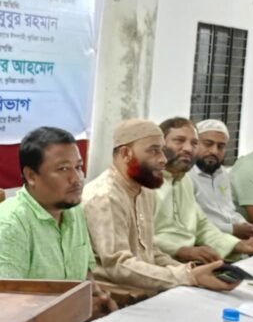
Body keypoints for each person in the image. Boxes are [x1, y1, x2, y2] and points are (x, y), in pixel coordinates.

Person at [82, 118, 239, 297]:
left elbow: (150, 251)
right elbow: (119, 265)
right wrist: (186, 276)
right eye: (154, 151)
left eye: (163, 151)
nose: (163, 159)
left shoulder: (144, 191)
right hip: (119, 299)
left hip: (150, 291)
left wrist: (191, 271)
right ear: (126, 154)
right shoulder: (106, 197)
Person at [0, 126, 115, 318]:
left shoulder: (73, 210)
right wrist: (75, 313)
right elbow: (3, 309)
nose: (77, 179)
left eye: (78, 167)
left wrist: (98, 298)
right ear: (31, 176)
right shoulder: (9, 225)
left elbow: (85, 274)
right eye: (63, 169)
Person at [154, 117, 253, 264]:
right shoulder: (145, 185)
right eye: (179, 140)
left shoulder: (183, 181)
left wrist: (238, 245)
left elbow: (202, 226)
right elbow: (138, 239)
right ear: (159, 145)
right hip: (157, 264)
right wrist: (182, 250)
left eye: (194, 143)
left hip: (190, 261)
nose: (188, 148)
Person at [191, 119, 253, 238]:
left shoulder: (222, 173)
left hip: (231, 238)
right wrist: (232, 229)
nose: (214, 151)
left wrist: (247, 226)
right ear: (194, 144)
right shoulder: (186, 176)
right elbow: (192, 223)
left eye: (221, 146)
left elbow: (229, 212)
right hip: (206, 241)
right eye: (208, 144)